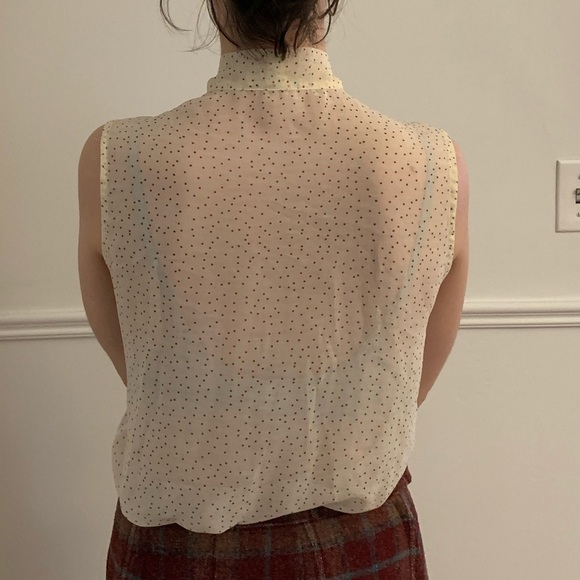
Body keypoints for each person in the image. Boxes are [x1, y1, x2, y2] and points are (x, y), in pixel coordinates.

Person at [77, 0, 470, 577]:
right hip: (365, 542)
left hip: (178, 550)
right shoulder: (432, 162)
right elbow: (410, 380)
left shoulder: (120, 159)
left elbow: (141, 366)